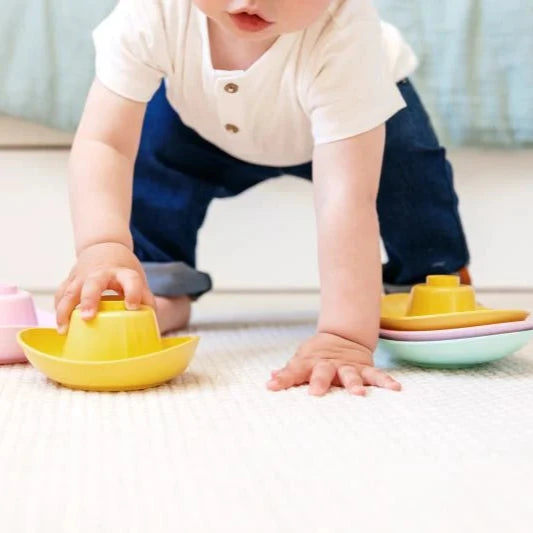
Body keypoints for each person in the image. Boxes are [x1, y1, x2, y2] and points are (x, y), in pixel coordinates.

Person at [55, 0, 470, 396]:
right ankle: (156, 282)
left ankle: (429, 279)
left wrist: (344, 337)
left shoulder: (345, 36)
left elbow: (346, 196)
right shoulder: (156, 11)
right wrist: (103, 246)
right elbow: (106, 141)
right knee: (155, 158)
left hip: (353, 128)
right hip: (202, 123)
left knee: (410, 184)